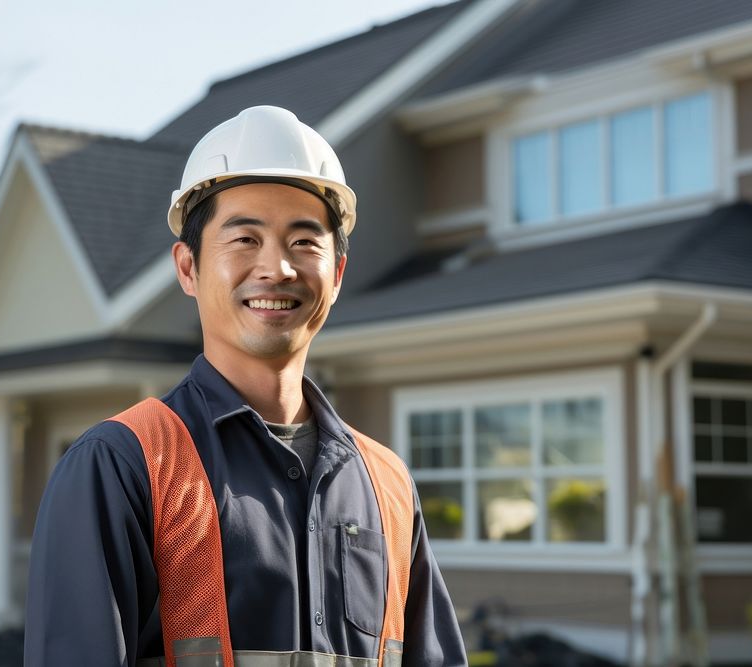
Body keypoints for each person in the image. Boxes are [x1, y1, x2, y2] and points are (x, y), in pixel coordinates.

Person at [24, 105, 467, 667]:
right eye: (245, 239)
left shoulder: (388, 487)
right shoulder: (122, 465)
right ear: (188, 268)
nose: (277, 268)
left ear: (336, 275)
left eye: (305, 242)